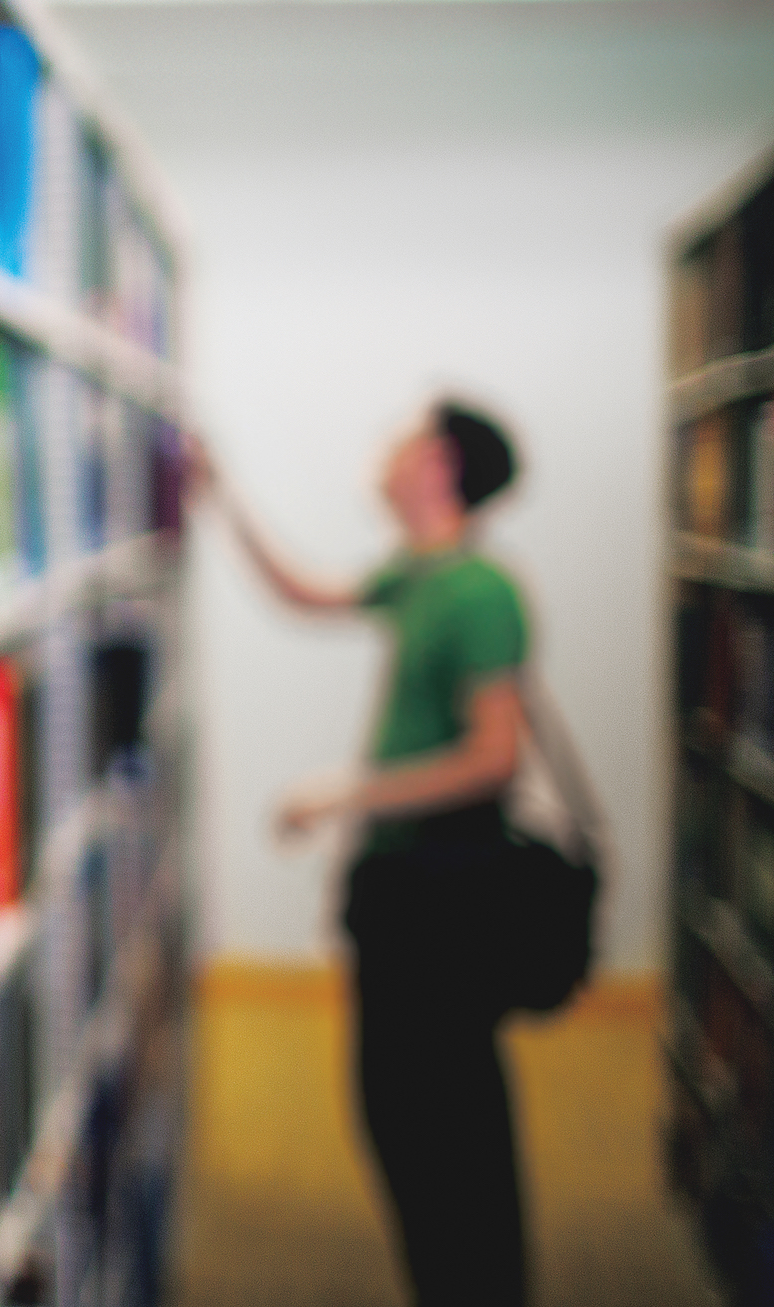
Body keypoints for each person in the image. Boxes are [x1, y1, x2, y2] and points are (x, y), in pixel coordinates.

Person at [190, 399, 530, 1307]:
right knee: (398, 1108)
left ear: (441, 465)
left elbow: (496, 756)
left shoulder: (480, 593)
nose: (386, 450)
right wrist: (222, 498)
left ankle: (480, 1285)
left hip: (442, 895)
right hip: (399, 886)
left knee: (440, 1114)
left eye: (407, 439)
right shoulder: (415, 575)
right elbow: (305, 592)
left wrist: (349, 790)